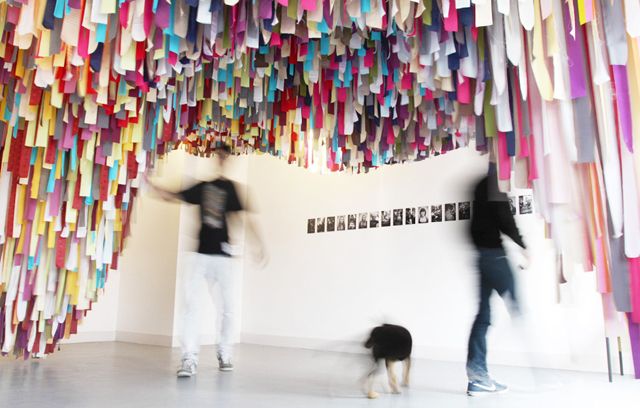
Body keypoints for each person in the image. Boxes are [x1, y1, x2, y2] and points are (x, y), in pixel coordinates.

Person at [150, 145, 266, 378]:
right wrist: (148, 184)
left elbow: (243, 218)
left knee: (228, 308)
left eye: (225, 156)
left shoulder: (232, 189)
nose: (222, 159)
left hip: (223, 257)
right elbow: (173, 196)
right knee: (190, 307)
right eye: (219, 155)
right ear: (216, 158)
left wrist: (258, 244)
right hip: (200, 256)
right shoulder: (203, 187)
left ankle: (225, 354)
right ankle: (189, 359)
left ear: (229, 159)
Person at [466, 172, 529, 396]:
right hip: (494, 256)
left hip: (483, 256)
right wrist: (523, 245)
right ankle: (541, 376)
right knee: (519, 311)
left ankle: (478, 378)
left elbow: (473, 226)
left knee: (483, 317)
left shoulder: (481, 183)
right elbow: (504, 217)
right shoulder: (494, 182)